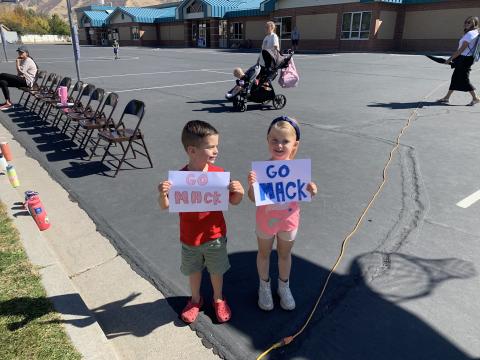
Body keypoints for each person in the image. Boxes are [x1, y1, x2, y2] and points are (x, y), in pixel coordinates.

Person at [158, 120, 244, 324]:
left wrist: (238, 193)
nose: (216, 151)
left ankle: (218, 298)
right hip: (189, 238)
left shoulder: (219, 174)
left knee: (216, 270)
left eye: (216, 146)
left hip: (214, 234)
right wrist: (163, 194)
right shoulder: (179, 179)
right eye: (210, 147)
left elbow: (233, 201)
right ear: (192, 150)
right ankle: (195, 299)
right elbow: (165, 205)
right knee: (194, 270)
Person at [247, 116, 317, 311]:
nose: (279, 145)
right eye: (274, 140)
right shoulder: (262, 170)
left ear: (295, 144)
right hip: (266, 221)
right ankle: (264, 286)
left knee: (284, 255)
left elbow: (305, 190)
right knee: (264, 253)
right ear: (267, 140)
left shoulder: (298, 170)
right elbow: (253, 198)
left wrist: (312, 189)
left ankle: (283, 286)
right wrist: (252, 185)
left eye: (285, 141)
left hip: (288, 221)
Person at [438, 16, 480, 106]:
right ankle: (446, 98)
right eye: (466, 22)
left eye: (469, 22)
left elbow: (461, 50)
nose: (466, 24)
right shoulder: (475, 32)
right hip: (466, 58)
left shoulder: (470, 34)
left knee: (464, 79)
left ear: (474, 24)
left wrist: (450, 59)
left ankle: (475, 98)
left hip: (464, 59)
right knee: (455, 78)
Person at [0, 45, 37, 111]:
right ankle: (8, 103)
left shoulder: (28, 60)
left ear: (26, 53)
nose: (20, 53)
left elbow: (20, 72)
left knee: (2, 74)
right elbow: (20, 73)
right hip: (22, 80)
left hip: (26, 81)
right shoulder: (23, 60)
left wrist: (17, 62)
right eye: (19, 52)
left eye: (22, 52)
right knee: (2, 82)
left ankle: (8, 103)